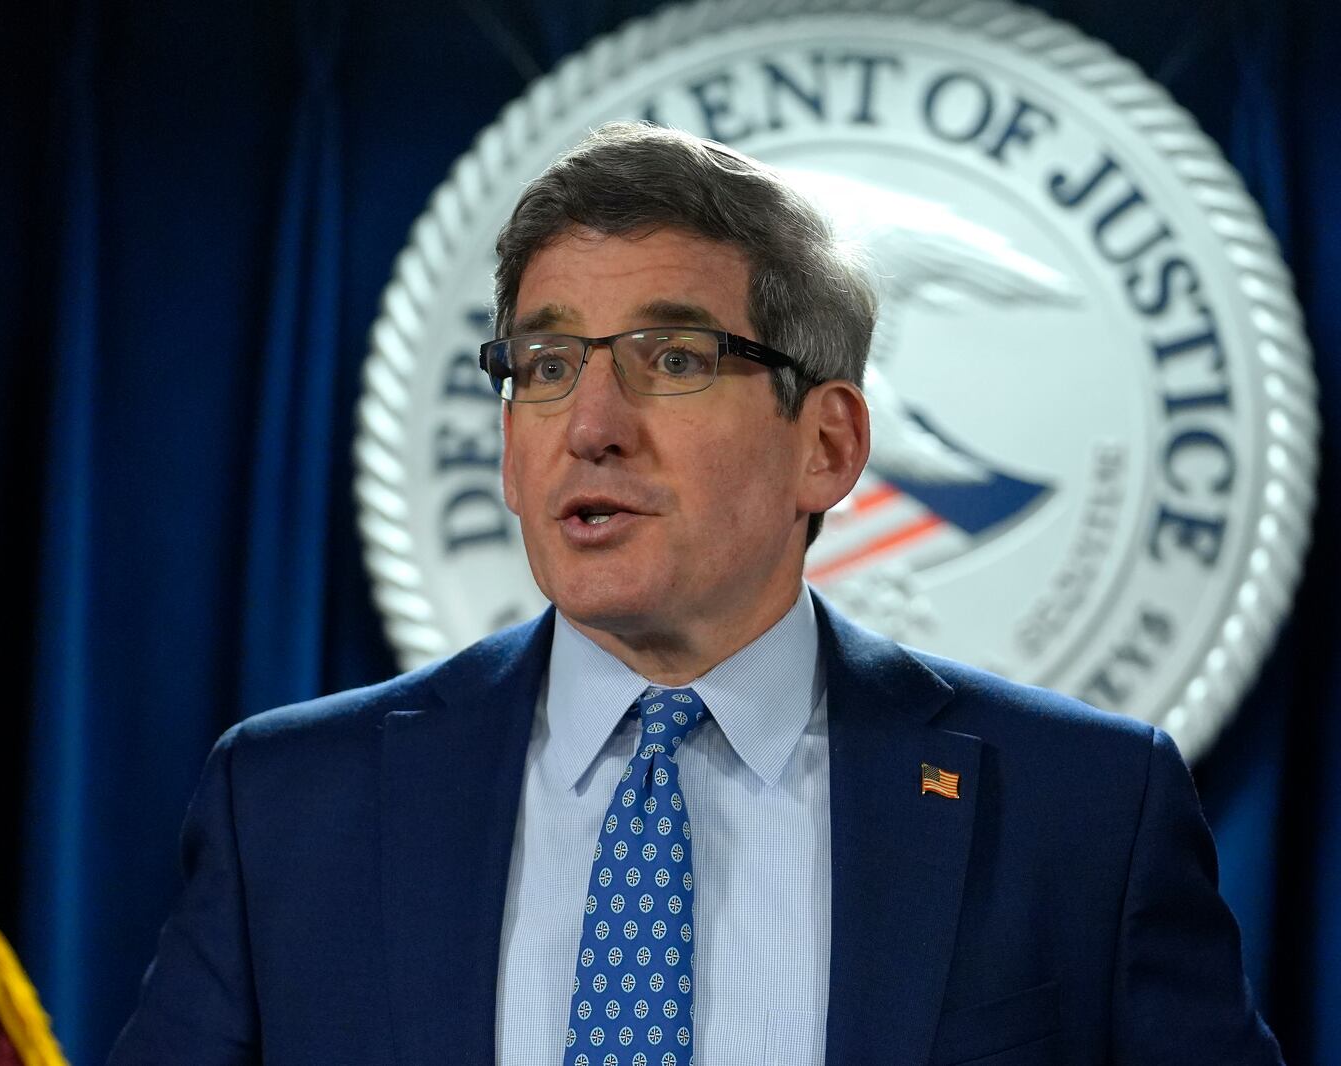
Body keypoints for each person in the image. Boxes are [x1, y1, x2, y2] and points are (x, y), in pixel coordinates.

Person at [110, 123, 1282, 1066]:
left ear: (823, 445)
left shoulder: (1081, 811)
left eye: (672, 360)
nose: (592, 428)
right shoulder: (292, 805)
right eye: (546, 365)